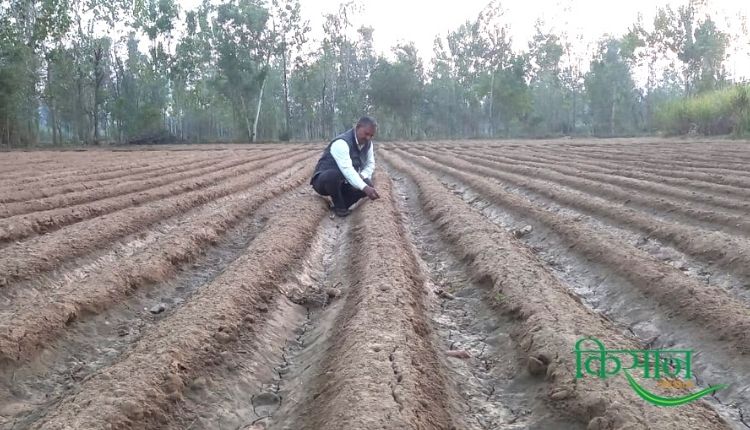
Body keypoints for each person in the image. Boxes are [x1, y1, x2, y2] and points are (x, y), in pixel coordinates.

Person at [310, 116, 381, 217]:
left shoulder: (368, 144)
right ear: (358, 127)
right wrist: (364, 188)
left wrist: (363, 176)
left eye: (371, 135)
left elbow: (370, 164)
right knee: (334, 175)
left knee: (368, 184)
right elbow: (347, 170)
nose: (368, 138)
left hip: (343, 182)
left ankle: (342, 203)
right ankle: (340, 207)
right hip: (323, 181)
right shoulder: (341, 143)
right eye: (366, 133)